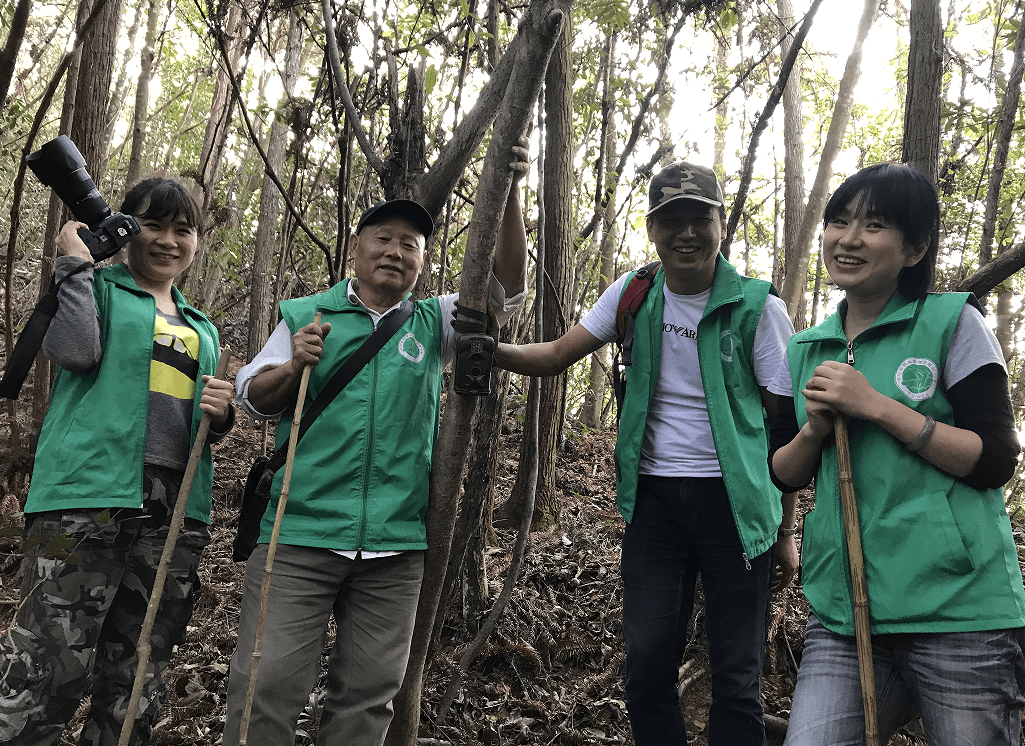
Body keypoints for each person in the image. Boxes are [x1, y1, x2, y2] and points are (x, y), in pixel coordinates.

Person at [221, 147, 530, 746]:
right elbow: (254, 398)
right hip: (298, 534)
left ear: (422, 261)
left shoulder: (435, 322)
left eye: (409, 245)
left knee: (367, 701)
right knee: (267, 688)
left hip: (394, 547)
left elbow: (505, 292)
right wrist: (292, 368)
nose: (395, 251)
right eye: (382, 239)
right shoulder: (307, 315)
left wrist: (512, 190)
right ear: (356, 250)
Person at [494, 161, 797, 746]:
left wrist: (787, 530)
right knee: (648, 664)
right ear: (652, 230)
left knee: (738, 676)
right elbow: (557, 354)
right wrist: (489, 350)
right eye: (670, 221)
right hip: (655, 504)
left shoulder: (759, 308)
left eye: (698, 218)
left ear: (719, 223)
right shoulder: (634, 294)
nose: (686, 233)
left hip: (738, 508)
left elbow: (785, 429)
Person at [768, 163, 1025, 745]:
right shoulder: (807, 348)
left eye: (873, 225)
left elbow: (995, 460)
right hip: (844, 612)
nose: (847, 239)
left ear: (914, 249)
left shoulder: (953, 322)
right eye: (838, 222)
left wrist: (878, 407)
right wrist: (811, 433)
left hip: (959, 613)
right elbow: (780, 473)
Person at [0, 177, 235, 746]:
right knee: (50, 663)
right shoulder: (98, 288)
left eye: (184, 230)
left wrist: (222, 414)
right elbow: (75, 354)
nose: (168, 241)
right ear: (126, 229)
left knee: (136, 674)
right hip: (84, 500)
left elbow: (197, 426)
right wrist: (74, 263)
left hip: (175, 511)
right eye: (153, 225)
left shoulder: (201, 326)